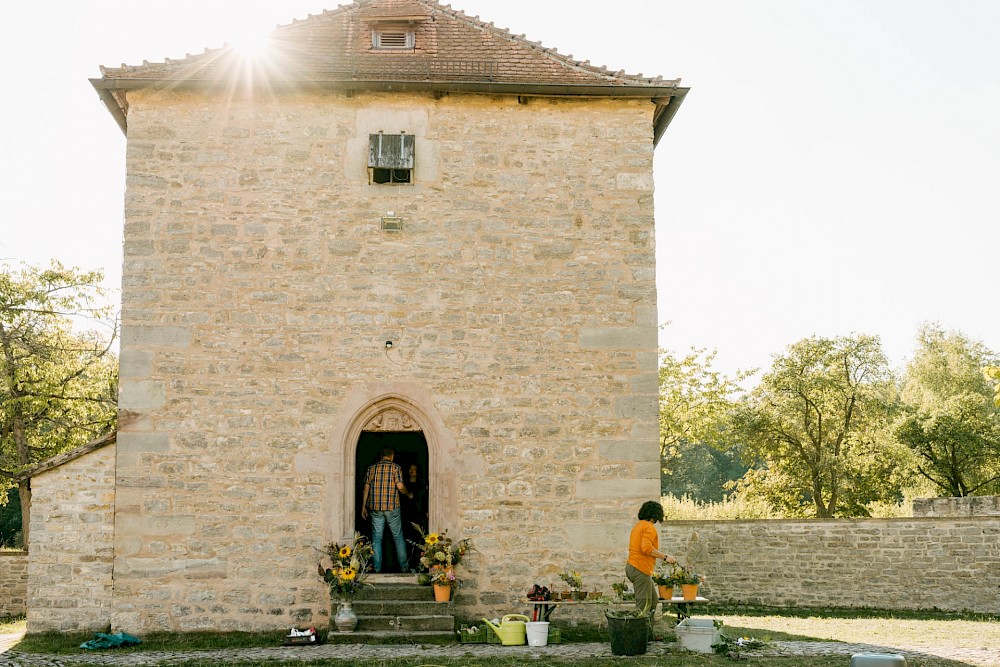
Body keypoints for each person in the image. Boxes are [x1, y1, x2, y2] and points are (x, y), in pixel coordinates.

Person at [626, 500, 676, 637]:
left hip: (635, 567)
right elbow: (646, 548)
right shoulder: (649, 527)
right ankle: (634, 637)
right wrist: (665, 557)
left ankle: (648, 634)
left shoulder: (638, 526)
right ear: (656, 514)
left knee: (653, 601)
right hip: (639, 568)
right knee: (643, 605)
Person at [361, 447, 414, 573]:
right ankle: (404, 568)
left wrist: (363, 506)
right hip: (392, 507)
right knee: (398, 537)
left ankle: (377, 569)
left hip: (375, 508)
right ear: (392, 455)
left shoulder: (371, 468)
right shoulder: (396, 468)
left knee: (377, 538)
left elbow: (366, 488)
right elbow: (400, 486)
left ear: (381, 456)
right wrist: (408, 494)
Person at [400, 463, 428, 570]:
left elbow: (425, 499)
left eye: (414, 469)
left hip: (418, 514)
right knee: (406, 538)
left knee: (419, 538)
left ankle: (418, 563)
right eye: (411, 469)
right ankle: (407, 563)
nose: (412, 471)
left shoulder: (421, 484)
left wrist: (426, 511)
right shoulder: (404, 485)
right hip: (406, 514)